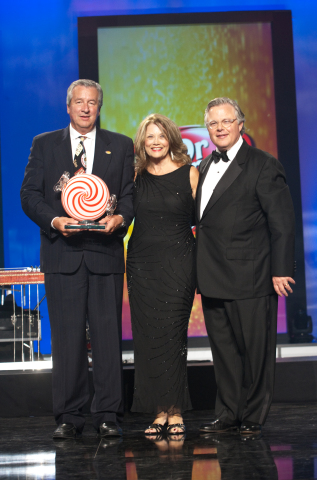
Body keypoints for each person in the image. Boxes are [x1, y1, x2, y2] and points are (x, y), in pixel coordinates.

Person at [20, 79, 134, 439]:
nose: (86, 108)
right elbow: (29, 195)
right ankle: (69, 416)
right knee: (67, 339)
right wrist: (55, 221)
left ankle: (108, 414)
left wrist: (120, 220)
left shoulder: (121, 145)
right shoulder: (44, 144)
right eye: (79, 102)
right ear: (68, 107)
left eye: (93, 103)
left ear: (100, 107)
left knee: (107, 338)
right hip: (62, 254)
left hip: (105, 254)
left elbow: (130, 196)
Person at [196, 97, 295, 435]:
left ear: (241, 124)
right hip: (211, 276)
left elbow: (281, 222)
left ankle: (253, 415)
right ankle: (228, 414)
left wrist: (281, 269)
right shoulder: (205, 167)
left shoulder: (263, 164)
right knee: (223, 353)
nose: (220, 128)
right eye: (213, 123)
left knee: (255, 352)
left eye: (226, 121)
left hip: (251, 276)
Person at [126, 114, 199, 435]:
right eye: (148, 137)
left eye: (160, 136)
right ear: (142, 142)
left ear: (171, 138)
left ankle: (176, 411)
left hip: (180, 263)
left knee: (172, 336)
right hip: (142, 265)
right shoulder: (134, 176)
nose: (155, 141)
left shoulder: (191, 174)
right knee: (148, 338)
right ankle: (158, 413)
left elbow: (207, 221)